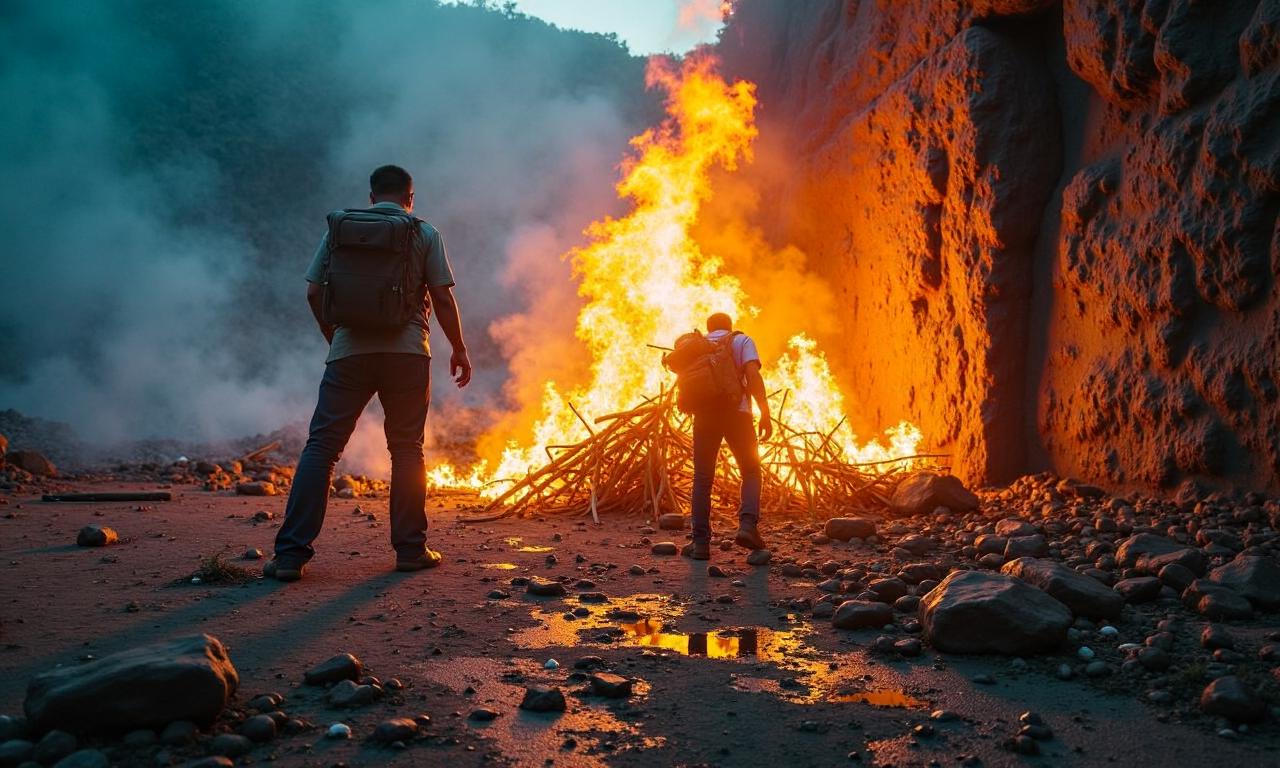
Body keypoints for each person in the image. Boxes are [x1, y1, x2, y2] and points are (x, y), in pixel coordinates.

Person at [265, 164, 471, 582]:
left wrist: (334, 336)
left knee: (322, 449)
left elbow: (312, 290)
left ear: (372, 197)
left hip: (348, 353)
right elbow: (442, 299)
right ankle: (411, 550)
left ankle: (290, 557)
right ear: (410, 198)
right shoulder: (423, 232)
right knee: (407, 449)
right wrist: (459, 348)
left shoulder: (340, 229)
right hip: (408, 354)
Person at [686, 312, 772, 560]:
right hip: (738, 415)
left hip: (704, 418)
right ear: (729, 326)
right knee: (751, 471)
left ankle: (700, 544)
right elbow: (753, 375)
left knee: (702, 479)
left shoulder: (697, 346)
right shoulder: (742, 341)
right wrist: (764, 411)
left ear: (709, 328)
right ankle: (747, 526)